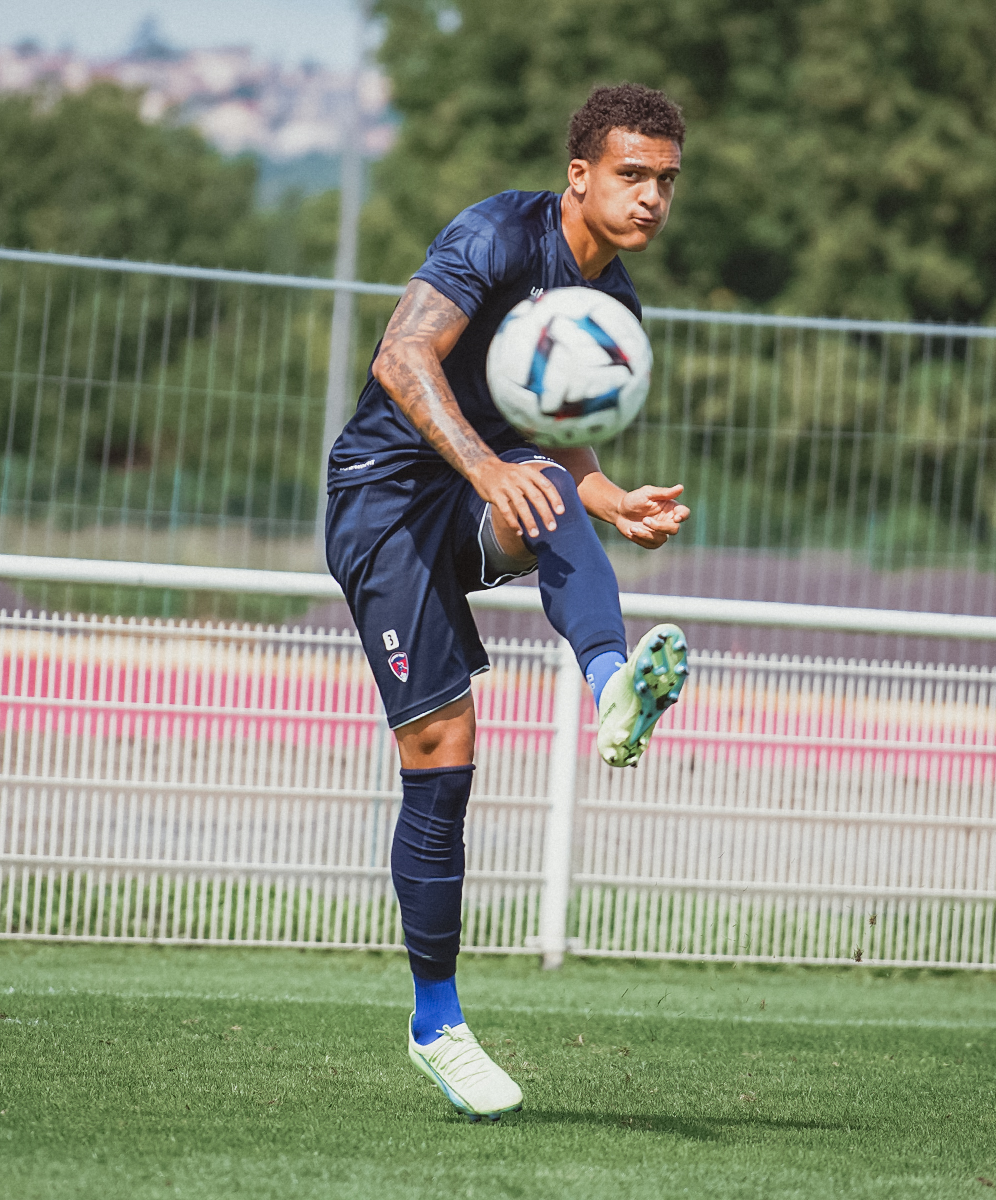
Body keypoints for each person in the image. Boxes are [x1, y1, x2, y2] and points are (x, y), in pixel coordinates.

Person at [324, 83, 692, 1121]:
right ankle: (435, 1023)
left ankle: (614, 687)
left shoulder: (611, 302)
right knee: (443, 756)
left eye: (666, 179)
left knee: (544, 490)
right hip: (383, 504)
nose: (651, 197)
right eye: (631, 175)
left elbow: (550, 429)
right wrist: (492, 469)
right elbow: (400, 355)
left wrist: (607, 494)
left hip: (479, 490)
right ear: (579, 174)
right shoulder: (494, 231)